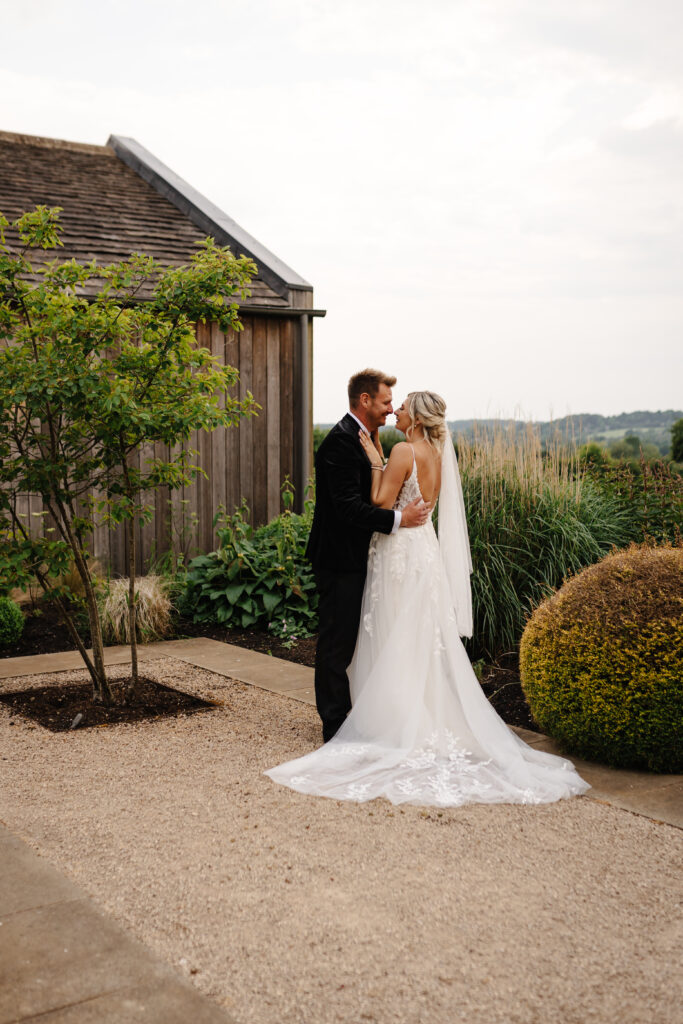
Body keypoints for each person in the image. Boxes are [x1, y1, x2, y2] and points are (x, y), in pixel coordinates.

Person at [266, 390, 589, 807]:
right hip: (424, 551)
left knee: (391, 631)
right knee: (418, 635)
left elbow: (380, 501)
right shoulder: (434, 454)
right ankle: (416, 717)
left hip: (398, 550)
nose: (395, 411)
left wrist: (376, 462)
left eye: (401, 408)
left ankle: (392, 724)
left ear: (415, 419)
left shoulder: (402, 450)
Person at [305, 369, 430, 743]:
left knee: (362, 640)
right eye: (386, 401)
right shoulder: (340, 443)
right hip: (340, 560)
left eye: (394, 403)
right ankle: (334, 725)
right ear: (365, 401)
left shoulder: (369, 439)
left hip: (368, 559)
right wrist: (399, 518)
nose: (392, 410)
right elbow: (347, 509)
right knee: (336, 643)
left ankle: (363, 715)